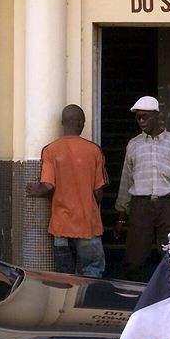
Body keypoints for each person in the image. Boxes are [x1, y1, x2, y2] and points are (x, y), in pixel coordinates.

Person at [26, 104, 108, 278]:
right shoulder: (94, 150)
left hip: (61, 226)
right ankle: (86, 304)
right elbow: (98, 190)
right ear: (80, 123)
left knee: (64, 278)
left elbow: (48, 185)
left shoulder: (50, 150)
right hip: (88, 225)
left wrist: (36, 190)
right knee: (92, 273)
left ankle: (64, 305)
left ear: (63, 123)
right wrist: (93, 205)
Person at [114, 96, 170, 282]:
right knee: (135, 258)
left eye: (144, 117)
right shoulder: (134, 145)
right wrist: (121, 216)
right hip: (140, 207)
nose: (140, 121)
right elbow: (126, 181)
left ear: (156, 116)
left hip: (167, 207)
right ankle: (135, 302)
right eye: (138, 117)